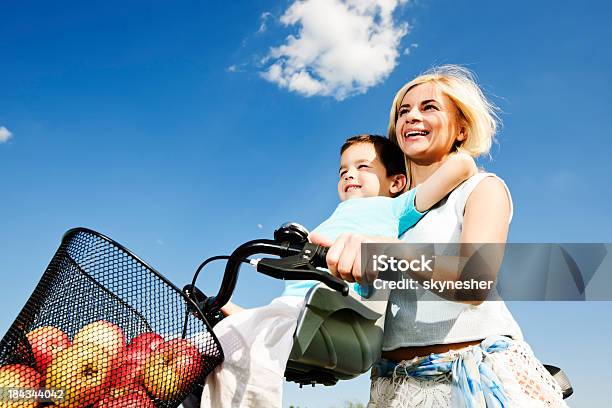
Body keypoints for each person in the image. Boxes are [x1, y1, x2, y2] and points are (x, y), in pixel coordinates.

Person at [311, 65, 569, 407]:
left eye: (428, 107)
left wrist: (386, 250)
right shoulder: (383, 212)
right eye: (403, 111)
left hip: (475, 378)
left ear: (461, 129)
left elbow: (474, 281)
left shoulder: (481, 189)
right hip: (393, 386)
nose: (411, 117)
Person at [200, 134, 478, 408]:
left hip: (339, 309)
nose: (348, 175)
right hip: (292, 309)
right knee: (212, 341)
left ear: (396, 182)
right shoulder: (332, 219)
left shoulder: (393, 207)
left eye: (362, 167)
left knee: (245, 346)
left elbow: (463, 166)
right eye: (343, 171)